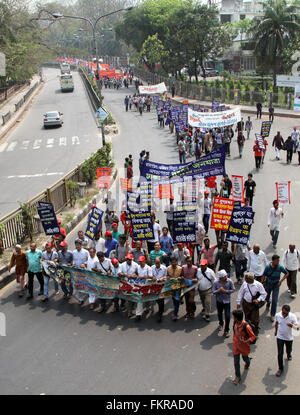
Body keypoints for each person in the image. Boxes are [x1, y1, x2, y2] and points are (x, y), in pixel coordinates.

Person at [232, 309, 256, 385]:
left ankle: (248, 362)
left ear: (236, 318)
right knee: (236, 362)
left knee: (245, 358)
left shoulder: (246, 326)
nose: (233, 318)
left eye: (234, 317)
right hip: (236, 345)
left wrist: (246, 341)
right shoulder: (235, 323)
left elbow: (253, 337)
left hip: (244, 346)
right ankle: (238, 376)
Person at [262, 254, 289, 322]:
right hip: (268, 284)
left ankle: (272, 315)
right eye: (277, 260)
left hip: (276, 285)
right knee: (266, 297)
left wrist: (281, 281)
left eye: (278, 260)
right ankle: (268, 302)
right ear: (273, 261)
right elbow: (264, 275)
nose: (278, 262)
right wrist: (262, 283)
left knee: (275, 300)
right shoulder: (268, 267)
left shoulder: (280, 267)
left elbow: (287, 273)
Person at [275, 304, 299, 377]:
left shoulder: (292, 317)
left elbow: (298, 327)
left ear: (288, 312)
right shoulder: (278, 315)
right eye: (283, 312)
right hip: (280, 336)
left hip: (288, 338)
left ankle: (289, 354)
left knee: (289, 350)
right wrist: (276, 331)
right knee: (280, 353)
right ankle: (280, 369)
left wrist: (292, 325)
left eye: (285, 313)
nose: (283, 314)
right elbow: (276, 323)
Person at [212, 270, 235, 338]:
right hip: (219, 301)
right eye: (224, 277)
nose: (226, 277)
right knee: (219, 313)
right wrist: (219, 290)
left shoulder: (229, 281)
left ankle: (226, 330)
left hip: (227, 301)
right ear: (220, 277)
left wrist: (226, 291)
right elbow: (213, 291)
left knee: (227, 316)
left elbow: (233, 289)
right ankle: (221, 323)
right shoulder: (216, 282)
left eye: (226, 276)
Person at [118, 253, 139, 317]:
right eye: (127, 259)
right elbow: (119, 273)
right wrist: (125, 275)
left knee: (133, 297)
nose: (128, 260)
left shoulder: (135, 264)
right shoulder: (122, 265)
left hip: (133, 283)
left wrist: (135, 275)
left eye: (129, 259)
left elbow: (138, 272)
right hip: (125, 283)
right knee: (127, 298)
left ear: (132, 259)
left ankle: (131, 309)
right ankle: (129, 311)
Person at [135, 256, 153, 321]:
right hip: (140, 286)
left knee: (147, 299)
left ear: (144, 261)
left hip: (147, 286)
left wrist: (143, 277)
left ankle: (148, 308)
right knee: (139, 300)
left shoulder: (149, 268)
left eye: (141, 261)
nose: (140, 262)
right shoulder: (138, 267)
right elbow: (136, 274)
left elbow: (151, 277)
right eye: (139, 261)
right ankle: (138, 314)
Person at [72, 239, 89, 305]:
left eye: (78, 245)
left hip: (84, 272)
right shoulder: (74, 252)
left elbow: (89, 260)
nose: (77, 246)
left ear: (81, 245)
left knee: (85, 284)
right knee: (78, 285)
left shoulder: (85, 252)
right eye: (76, 245)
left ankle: (87, 293)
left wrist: (85, 264)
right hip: (76, 271)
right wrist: (73, 264)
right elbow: (73, 260)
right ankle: (80, 299)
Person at [151, 257, 167, 323]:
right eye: (156, 263)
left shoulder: (164, 268)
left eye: (158, 263)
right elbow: (150, 275)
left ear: (160, 262)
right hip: (154, 286)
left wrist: (163, 278)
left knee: (161, 300)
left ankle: (160, 314)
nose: (157, 264)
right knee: (157, 299)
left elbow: (166, 276)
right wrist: (153, 278)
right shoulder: (152, 267)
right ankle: (161, 309)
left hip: (162, 286)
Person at [167, 256, 183, 321]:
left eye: (175, 262)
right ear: (170, 262)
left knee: (177, 300)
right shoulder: (168, 268)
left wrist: (181, 277)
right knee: (174, 299)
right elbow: (167, 276)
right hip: (171, 287)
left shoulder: (180, 268)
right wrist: (168, 277)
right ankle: (176, 308)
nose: (174, 263)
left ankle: (175, 314)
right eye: (172, 262)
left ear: (176, 262)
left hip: (178, 287)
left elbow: (182, 276)